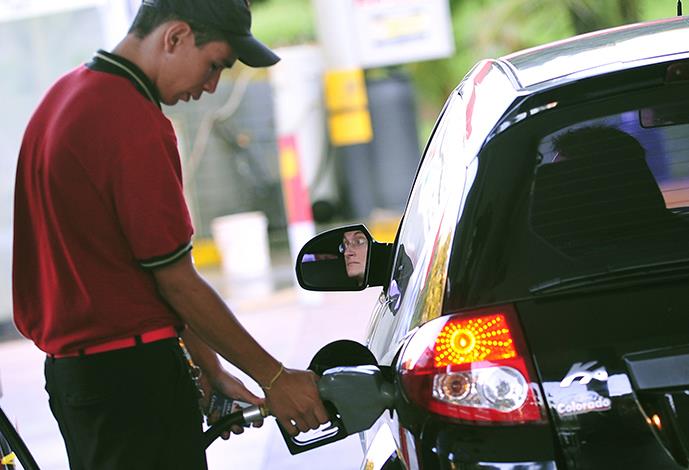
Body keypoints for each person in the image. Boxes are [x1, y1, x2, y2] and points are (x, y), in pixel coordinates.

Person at [12, 1, 328, 469]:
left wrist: (210, 367)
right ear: (175, 37)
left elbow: (138, 271)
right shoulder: (132, 122)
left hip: (80, 380)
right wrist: (275, 378)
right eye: (215, 64)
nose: (211, 85)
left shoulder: (64, 96)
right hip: (132, 385)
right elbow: (177, 280)